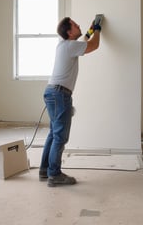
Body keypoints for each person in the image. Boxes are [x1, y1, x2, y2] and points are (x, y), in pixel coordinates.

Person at [39, 16, 102, 187]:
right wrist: (98, 28)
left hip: (52, 91)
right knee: (60, 136)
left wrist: (89, 31)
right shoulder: (71, 46)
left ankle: (45, 170)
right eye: (75, 25)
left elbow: (85, 41)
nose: (78, 25)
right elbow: (94, 45)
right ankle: (54, 175)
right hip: (60, 94)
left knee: (54, 133)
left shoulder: (65, 45)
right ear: (69, 31)